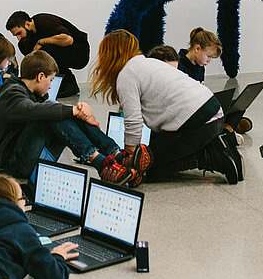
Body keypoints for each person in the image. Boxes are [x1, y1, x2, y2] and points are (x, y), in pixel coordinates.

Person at [91, 29, 242, 184]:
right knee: (154, 157)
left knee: (146, 171)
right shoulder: (148, 62)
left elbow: (133, 121)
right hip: (213, 112)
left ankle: (208, 157)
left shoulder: (126, 74)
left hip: (198, 122)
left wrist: (131, 159)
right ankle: (220, 144)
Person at [0, 51, 139, 186]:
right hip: (15, 164)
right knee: (53, 111)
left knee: (61, 111)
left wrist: (81, 112)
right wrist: (73, 110)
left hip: (27, 154)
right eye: (50, 80)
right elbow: (32, 110)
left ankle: (117, 155)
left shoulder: (30, 93)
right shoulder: (11, 93)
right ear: (40, 77)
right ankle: (101, 163)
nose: (50, 86)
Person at [5, 11, 89, 98]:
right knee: (27, 48)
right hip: (63, 52)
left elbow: (68, 40)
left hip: (79, 52)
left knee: (46, 50)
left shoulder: (45, 21)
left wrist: (41, 42)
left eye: (19, 33)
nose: (18, 38)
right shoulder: (26, 39)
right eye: (16, 36)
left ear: (27, 24)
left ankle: (67, 84)